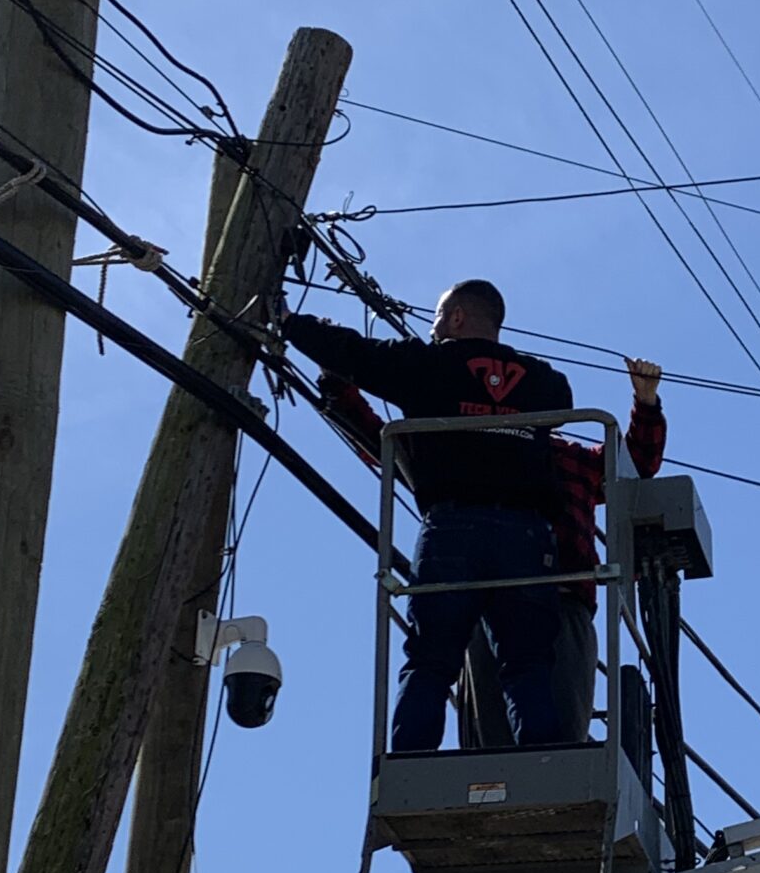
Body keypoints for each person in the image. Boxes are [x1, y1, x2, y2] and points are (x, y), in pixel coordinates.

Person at [284, 281, 574, 753]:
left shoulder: (428, 365)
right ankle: (542, 759)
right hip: (527, 535)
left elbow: (355, 353)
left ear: (457, 317)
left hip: (453, 527)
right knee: (528, 661)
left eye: (439, 318)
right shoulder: (544, 381)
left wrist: (291, 323)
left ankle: (412, 760)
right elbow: (562, 406)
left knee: (432, 660)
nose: (434, 328)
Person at [550, 356, 666, 744]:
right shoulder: (481, 449)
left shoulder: (568, 457)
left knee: (562, 721)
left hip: (563, 600)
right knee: (500, 730)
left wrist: (645, 402)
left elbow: (634, 464)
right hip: (501, 597)